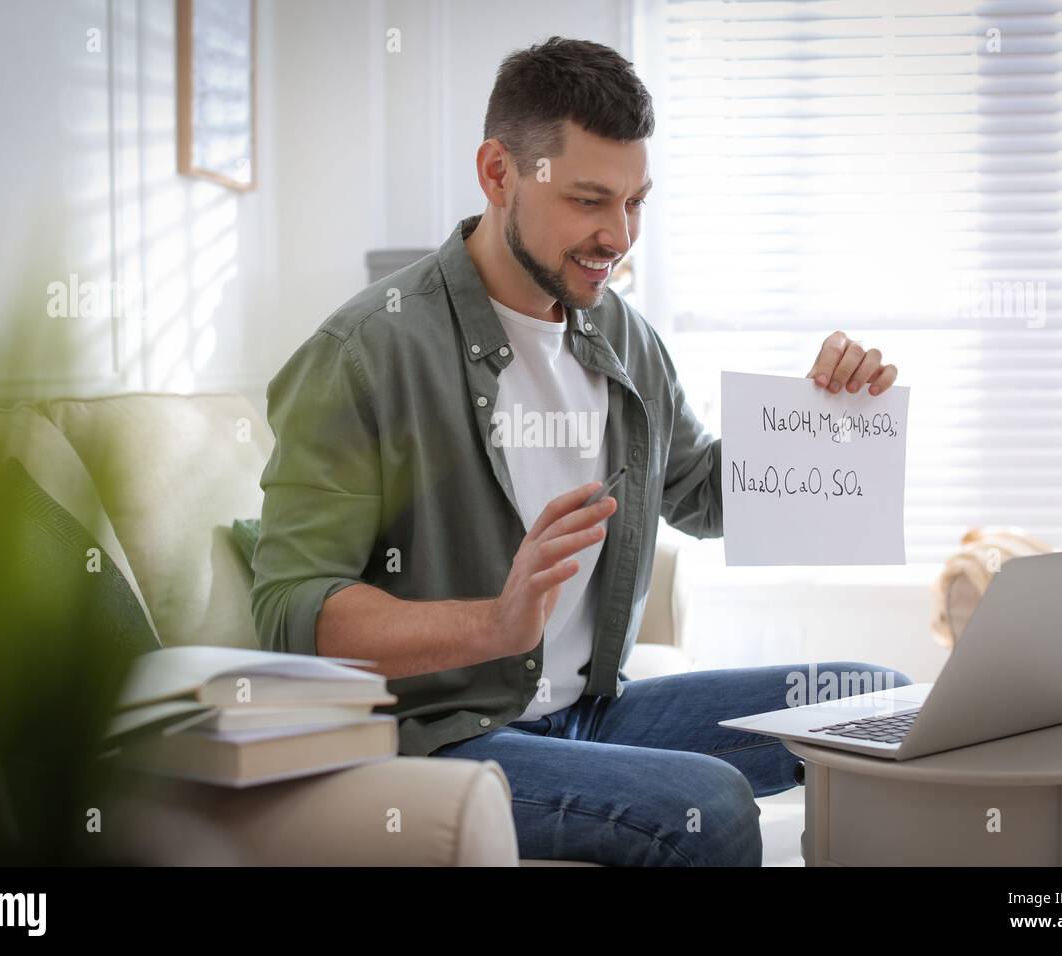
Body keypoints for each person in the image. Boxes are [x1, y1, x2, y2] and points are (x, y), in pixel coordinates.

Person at [252, 36, 908, 865]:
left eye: (636, 202)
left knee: (872, 703)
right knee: (708, 805)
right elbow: (289, 613)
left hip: (592, 710)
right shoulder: (364, 353)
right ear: (499, 174)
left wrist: (826, 422)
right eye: (591, 201)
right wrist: (494, 623)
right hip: (440, 734)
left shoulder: (619, 332)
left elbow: (699, 491)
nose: (619, 236)